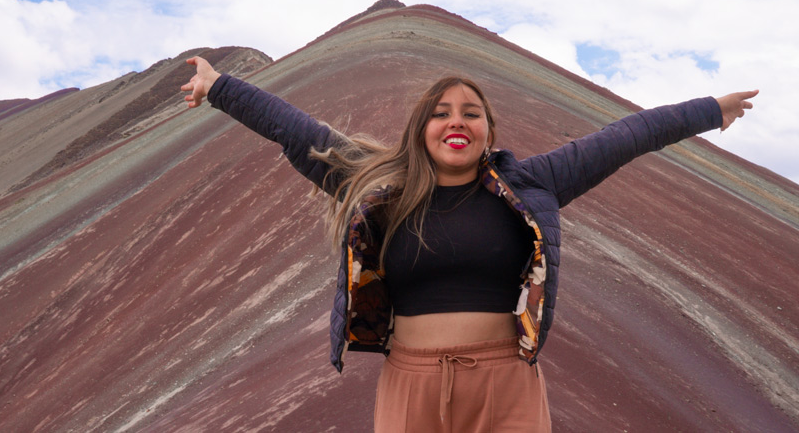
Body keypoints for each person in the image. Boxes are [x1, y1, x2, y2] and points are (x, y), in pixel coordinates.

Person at [181, 56, 757, 432]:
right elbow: (297, 132)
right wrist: (219, 88)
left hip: (506, 383)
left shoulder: (532, 184)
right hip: (411, 384)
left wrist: (711, 110)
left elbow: (624, 138)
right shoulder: (381, 189)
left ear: (488, 131)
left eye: (471, 113)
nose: (456, 121)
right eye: (441, 113)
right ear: (421, 130)